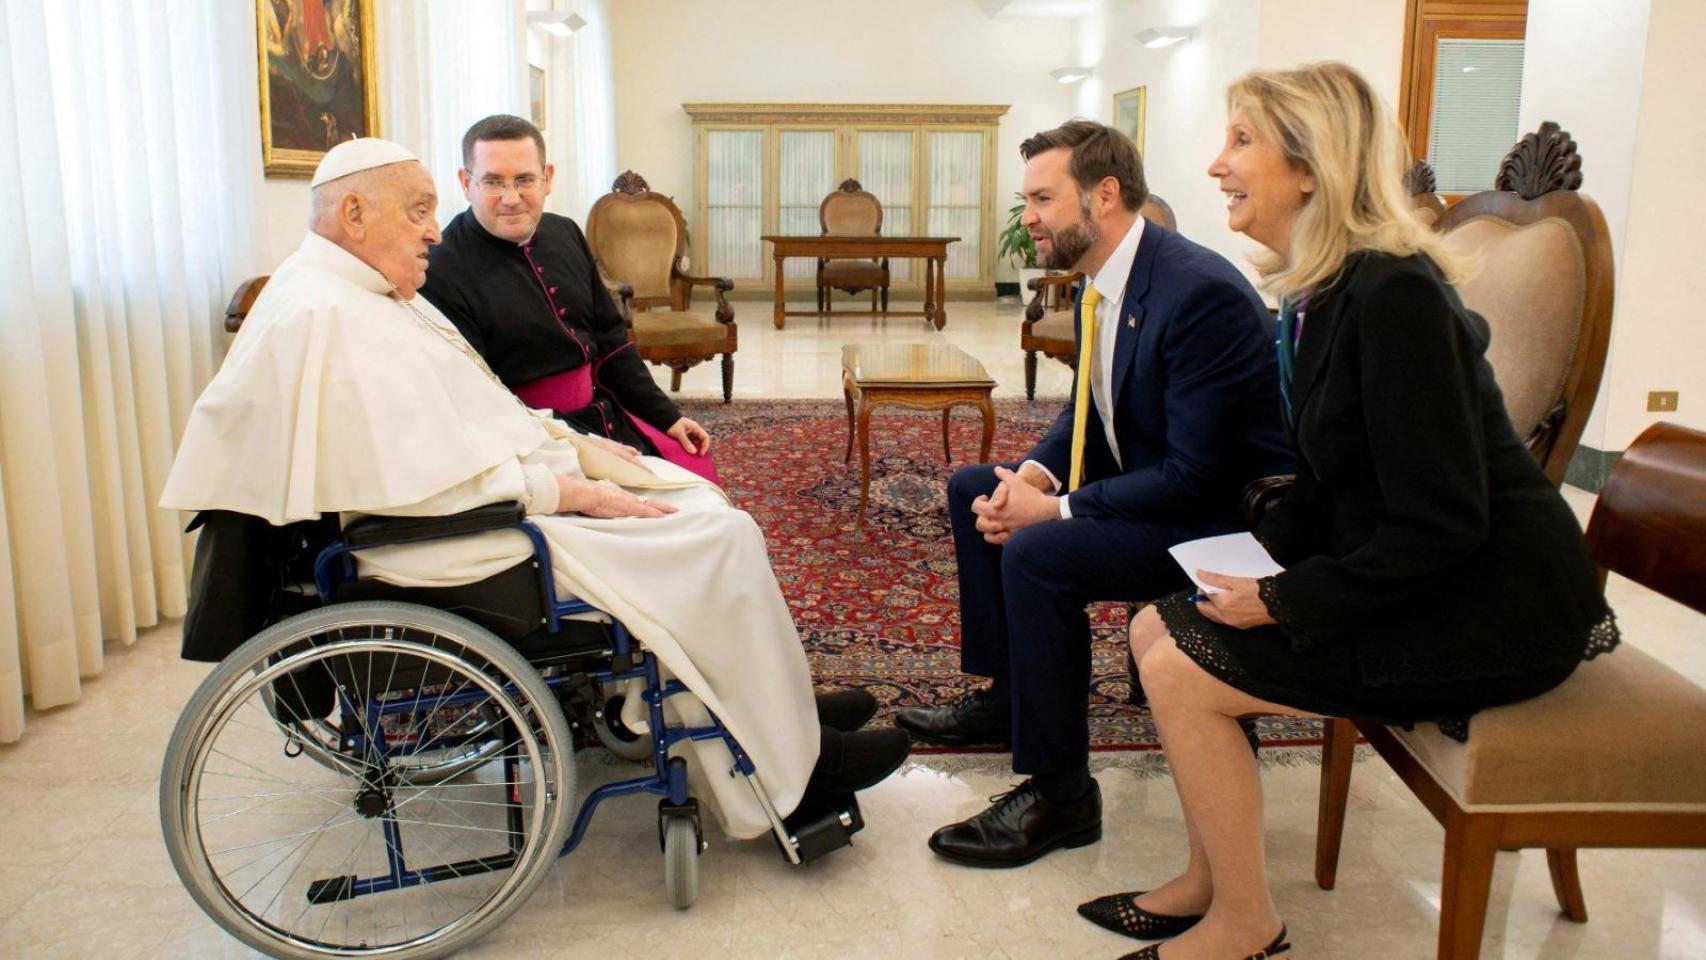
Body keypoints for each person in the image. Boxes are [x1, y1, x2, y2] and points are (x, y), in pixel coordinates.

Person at [160, 138, 908, 842]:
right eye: (418, 211)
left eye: (432, 210)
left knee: (697, 504)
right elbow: (415, 480)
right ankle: (792, 772)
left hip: (478, 502)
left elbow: (465, 416)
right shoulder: (329, 312)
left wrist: (582, 450)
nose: (431, 232)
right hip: (460, 541)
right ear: (354, 214)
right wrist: (572, 491)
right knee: (716, 538)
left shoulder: (348, 288)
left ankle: (781, 719)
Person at [1079, 63, 1619, 960]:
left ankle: (1247, 924)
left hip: (1493, 600)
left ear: (1312, 166)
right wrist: (1255, 558)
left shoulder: (1394, 294)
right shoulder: (1329, 290)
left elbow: (1445, 520)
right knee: (1152, 632)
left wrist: (1290, 599)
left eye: (1241, 140)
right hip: (1429, 566)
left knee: (1180, 673)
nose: (1216, 164)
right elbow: (1331, 481)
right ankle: (1210, 881)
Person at [894, 120, 1291, 868]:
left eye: (1043, 198)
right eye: (1028, 199)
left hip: (1219, 522)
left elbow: (1198, 477)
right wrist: (1037, 477)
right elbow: (1090, 413)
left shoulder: (1196, 292)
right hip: (1161, 486)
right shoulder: (1107, 281)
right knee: (976, 487)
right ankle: (1010, 695)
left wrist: (1059, 509)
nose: (1029, 217)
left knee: (1041, 550)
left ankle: (1062, 791)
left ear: (1103, 195)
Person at [418, 115, 716, 481]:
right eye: (493, 182)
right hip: (535, 444)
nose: (511, 199)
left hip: (602, 410)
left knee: (695, 465)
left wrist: (665, 416)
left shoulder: (564, 231)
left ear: (548, 179)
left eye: (525, 180)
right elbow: (481, 399)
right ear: (466, 183)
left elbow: (611, 341)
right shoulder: (441, 268)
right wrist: (571, 442)